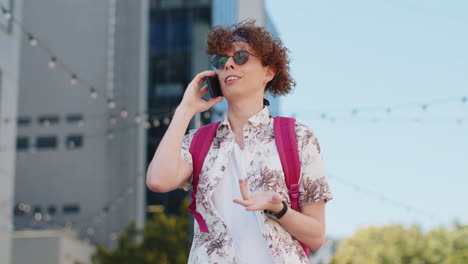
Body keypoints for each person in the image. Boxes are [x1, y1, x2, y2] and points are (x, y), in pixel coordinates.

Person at [146, 20, 333, 263]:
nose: (229, 64)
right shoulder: (199, 141)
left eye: (241, 57)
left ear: (269, 71)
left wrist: (279, 209)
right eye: (221, 61)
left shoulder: (297, 136)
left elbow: (317, 236)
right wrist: (185, 110)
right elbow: (158, 181)